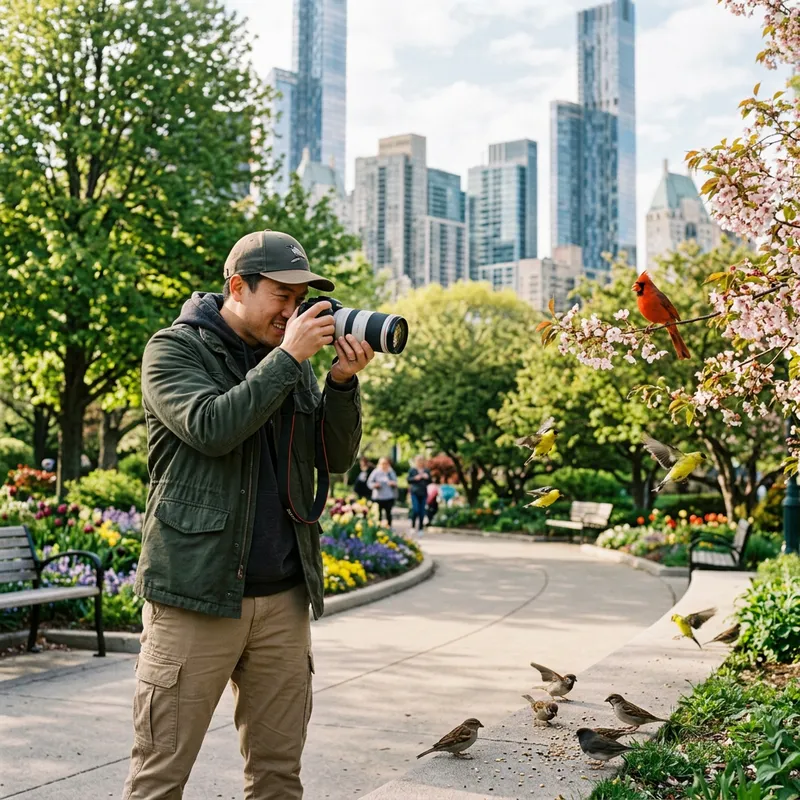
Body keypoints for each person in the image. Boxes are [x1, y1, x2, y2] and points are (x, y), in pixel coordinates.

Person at [124, 230, 373, 800]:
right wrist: (290, 358)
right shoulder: (174, 349)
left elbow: (330, 457)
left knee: (278, 780)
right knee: (159, 777)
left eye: (301, 298)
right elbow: (212, 427)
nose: (294, 312)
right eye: (281, 297)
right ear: (238, 286)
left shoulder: (291, 362)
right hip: (195, 596)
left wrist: (339, 382)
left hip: (284, 598)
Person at [368, 457, 398, 528]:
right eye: (382, 463)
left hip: (388, 496)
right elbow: (369, 482)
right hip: (378, 497)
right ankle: (378, 528)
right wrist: (375, 485)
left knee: (388, 514)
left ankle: (389, 528)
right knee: (378, 514)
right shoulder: (376, 472)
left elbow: (396, 482)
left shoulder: (391, 472)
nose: (384, 465)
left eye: (385, 463)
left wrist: (392, 483)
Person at [407, 455, 432, 532]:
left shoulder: (426, 470)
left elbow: (430, 481)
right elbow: (408, 480)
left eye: (422, 461)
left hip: (423, 492)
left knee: (422, 511)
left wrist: (427, 477)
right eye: (419, 461)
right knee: (416, 509)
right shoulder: (412, 470)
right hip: (415, 492)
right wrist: (415, 478)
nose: (420, 463)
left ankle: (420, 527)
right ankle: (413, 525)